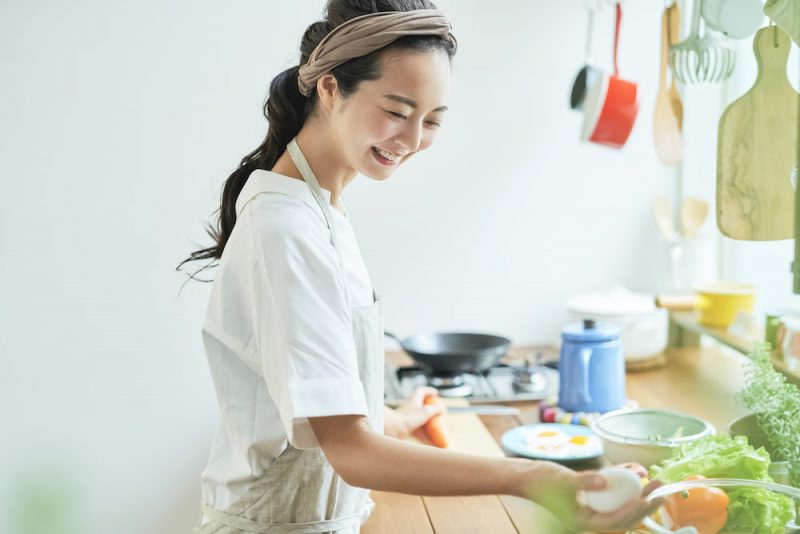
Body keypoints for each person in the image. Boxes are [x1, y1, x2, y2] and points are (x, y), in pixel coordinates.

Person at [177, 1, 662, 532]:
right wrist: (528, 477)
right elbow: (349, 451)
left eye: (431, 120)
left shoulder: (319, 208)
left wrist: (391, 419)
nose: (410, 141)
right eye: (396, 111)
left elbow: (311, 406)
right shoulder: (287, 228)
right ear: (330, 87)